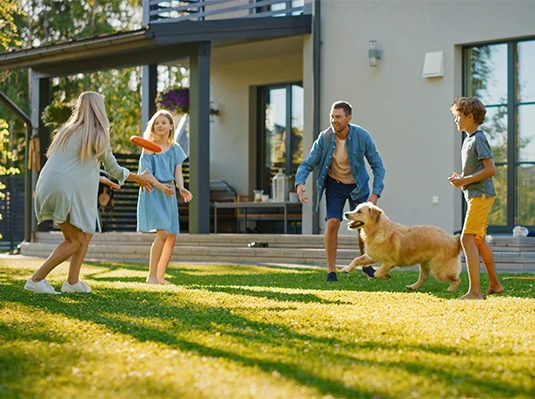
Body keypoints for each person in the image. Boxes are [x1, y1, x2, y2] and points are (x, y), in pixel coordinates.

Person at [24, 91, 156, 295]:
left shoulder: (67, 131)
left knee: (86, 233)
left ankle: (72, 282)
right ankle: (36, 279)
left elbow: (72, 167)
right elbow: (115, 169)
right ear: (99, 109)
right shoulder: (98, 134)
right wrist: (139, 178)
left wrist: (100, 178)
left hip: (47, 185)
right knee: (75, 241)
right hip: (63, 190)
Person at [295, 101, 386, 281]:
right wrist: (300, 182)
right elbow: (308, 163)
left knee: (364, 226)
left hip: (358, 185)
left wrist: (375, 194)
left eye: (338, 117)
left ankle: (366, 265)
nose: (333, 120)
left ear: (348, 118)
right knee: (333, 223)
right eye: (332, 117)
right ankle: (331, 271)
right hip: (335, 185)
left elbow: (378, 166)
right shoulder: (325, 138)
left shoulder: (362, 136)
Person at [448, 97, 504, 300]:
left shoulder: (478, 138)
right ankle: (495, 285)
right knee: (478, 241)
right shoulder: (469, 139)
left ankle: (475, 292)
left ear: (470, 116)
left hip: (480, 195)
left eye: (458, 117)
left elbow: (490, 169)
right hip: (477, 194)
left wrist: (465, 181)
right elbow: (479, 169)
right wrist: (463, 179)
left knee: (466, 238)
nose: (456, 121)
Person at [137, 109, 193, 284]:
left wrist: (181, 188)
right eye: (156, 122)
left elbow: (178, 172)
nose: (159, 125)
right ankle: (151, 276)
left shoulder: (175, 148)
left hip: (168, 192)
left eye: (163, 122)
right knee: (163, 233)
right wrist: (162, 187)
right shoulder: (148, 147)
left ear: (170, 126)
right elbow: (146, 174)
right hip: (153, 191)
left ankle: (160, 276)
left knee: (171, 236)